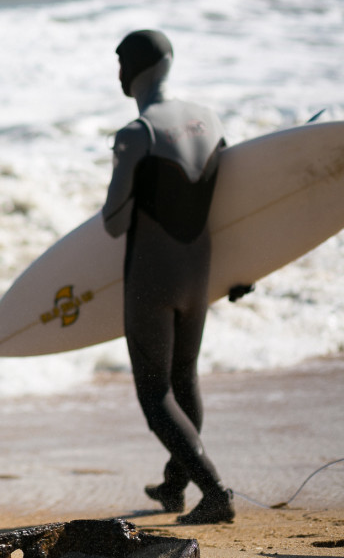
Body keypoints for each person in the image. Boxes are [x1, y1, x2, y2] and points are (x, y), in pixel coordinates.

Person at [101, 30, 235, 524]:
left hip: (152, 278)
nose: (116, 73)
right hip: (198, 271)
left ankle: (215, 492)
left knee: (155, 394)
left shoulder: (138, 134)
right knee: (185, 378)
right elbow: (237, 204)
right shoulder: (210, 119)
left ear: (131, 68)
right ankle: (175, 485)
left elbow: (113, 224)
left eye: (119, 64)